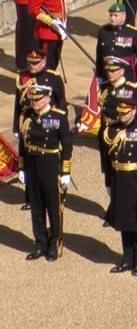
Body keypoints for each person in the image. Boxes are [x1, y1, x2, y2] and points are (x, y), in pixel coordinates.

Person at [17, 84, 73, 262]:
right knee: (36, 207)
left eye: (38, 99)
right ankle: (40, 243)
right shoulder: (27, 115)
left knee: (53, 207)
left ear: (48, 98)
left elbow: (67, 146)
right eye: (32, 99)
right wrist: (22, 167)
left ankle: (54, 244)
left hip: (50, 166)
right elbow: (22, 144)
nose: (35, 103)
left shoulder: (58, 118)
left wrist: (65, 172)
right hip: (32, 166)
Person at [103, 97, 137, 276]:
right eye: (120, 113)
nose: (122, 116)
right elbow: (108, 159)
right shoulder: (112, 130)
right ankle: (127, 259)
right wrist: (109, 183)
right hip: (120, 181)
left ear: (133, 111)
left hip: (136, 181)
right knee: (123, 222)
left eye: (125, 113)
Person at [98, 56, 137, 203]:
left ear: (121, 72)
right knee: (109, 172)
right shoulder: (105, 89)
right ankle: (114, 206)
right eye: (108, 71)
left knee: (124, 173)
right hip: (107, 135)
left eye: (114, 71)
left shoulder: (131, 91)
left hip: (123, 137)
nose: (110, 74)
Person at [95, 2, 137, 86]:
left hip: (126, 76)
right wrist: (99, 76)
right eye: (111, 15)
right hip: (107, 76)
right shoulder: (103, 31)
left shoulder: (133, 33)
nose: (112, 18)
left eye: (116, 16)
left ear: (123, 17)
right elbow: (99, 55)